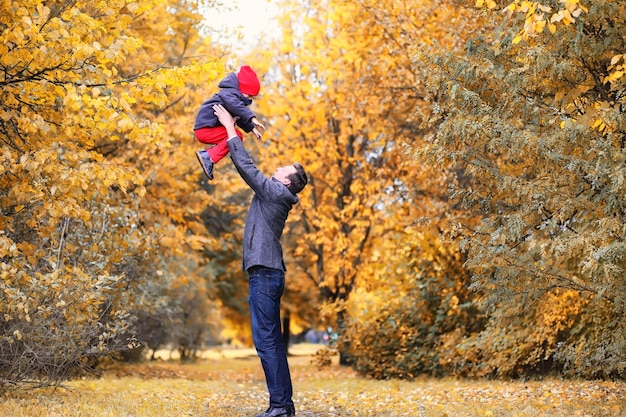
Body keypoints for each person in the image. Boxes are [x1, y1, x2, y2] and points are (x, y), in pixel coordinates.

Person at [213, 103, 307, 417]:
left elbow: (247, 169)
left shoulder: (276, 193)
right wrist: (245, 123)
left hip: (266, 275)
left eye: (283, 170)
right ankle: (283, 405)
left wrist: (230, 128)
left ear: (286, 182)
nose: (277, 168)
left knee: (266, 341)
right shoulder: (277, 192)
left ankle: (280, 406)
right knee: (270, 342)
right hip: (265, 274)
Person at [194, 65, 266, 180]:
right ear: (242, 88)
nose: (249, 98)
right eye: (249, 94)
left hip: (207, 128)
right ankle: (208, 156)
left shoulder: (231, 96)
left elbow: (239, 114)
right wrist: (252, 118)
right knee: (235, 136)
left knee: (236, 136)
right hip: (206, 129)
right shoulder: (229, 94)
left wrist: (252, 128)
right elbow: (237, 107)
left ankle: (209, 156)